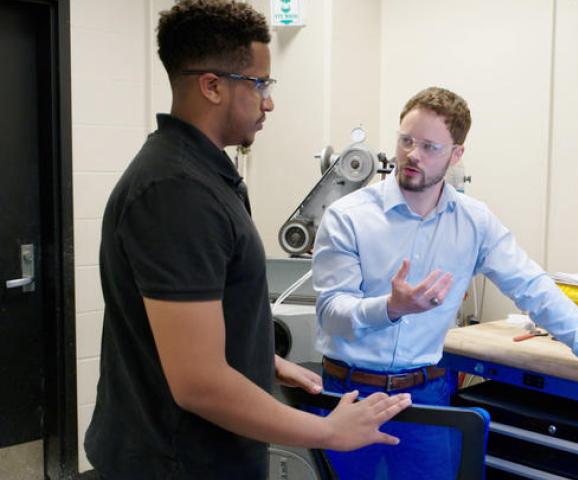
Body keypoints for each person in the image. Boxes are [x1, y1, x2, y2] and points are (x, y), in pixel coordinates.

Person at [84, 1, 410, 478]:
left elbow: (192, 328)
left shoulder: (203, 175)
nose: (268, 102)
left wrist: (264, 360)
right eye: (260, 85)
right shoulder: (177, 192)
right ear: (212, 86)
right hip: (176, 464)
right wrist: (328, 431)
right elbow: (199, 383)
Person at [311, 86, 578, 479]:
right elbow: (331, 314)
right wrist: (391, 308)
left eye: (429, 147)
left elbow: (532, 286)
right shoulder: (348, 216)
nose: (412, 154)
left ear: (456, 154)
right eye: (406, 140)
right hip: (350, 393)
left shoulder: (474, 222)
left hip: (423, 395)